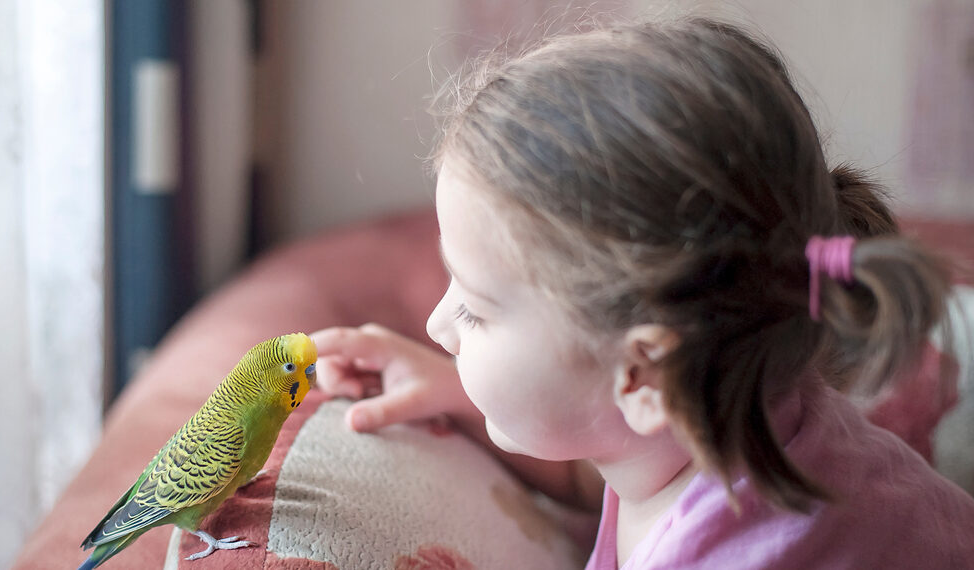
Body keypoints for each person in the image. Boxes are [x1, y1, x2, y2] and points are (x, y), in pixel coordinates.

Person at [311, 17, 974, 569]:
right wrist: (453, 391)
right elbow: (604, 441)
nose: (436, 325)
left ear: (642, 373)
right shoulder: (728, 414)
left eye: (476, 312)